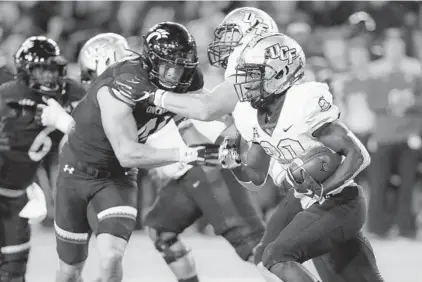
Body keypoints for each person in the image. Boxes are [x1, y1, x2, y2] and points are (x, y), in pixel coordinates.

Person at [46, 22, 218, 282]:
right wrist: (189, 154)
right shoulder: (120, 84)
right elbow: (127, 152)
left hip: (117, 176)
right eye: (167, 64)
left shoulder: (182, 81)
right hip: (77, 174)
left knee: (112, 256)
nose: (174, 73)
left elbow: (204, 111)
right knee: (70, 272)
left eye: (180, 64)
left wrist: (232, 138)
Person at [217, 32, 385, 282]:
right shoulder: (251, 114)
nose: (247, 83)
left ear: (280, 73)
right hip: (305, 203)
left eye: (254, 74)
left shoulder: (302, 103)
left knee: (277, 257)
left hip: (340, 202)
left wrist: (322, 190)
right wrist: (235, 166)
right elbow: (257, 177)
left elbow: (357, 154)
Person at [0, 36, 84, 282]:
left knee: (13, 271)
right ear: (25, 70)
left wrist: (67, 122)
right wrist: (31, 115)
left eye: (52, 69)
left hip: (17, 195)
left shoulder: (69, 91)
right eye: (41, 69)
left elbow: (95, 128)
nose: (48, 76)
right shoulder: (7, 94)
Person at [145, 114, 265, 282]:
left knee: (253, 246)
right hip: (182, 173)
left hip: (207, 160)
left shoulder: (153, 92)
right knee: (161, 230)